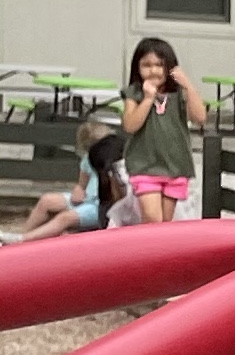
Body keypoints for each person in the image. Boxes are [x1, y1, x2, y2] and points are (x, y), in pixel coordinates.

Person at [117, 35, 208, 222]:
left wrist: (188, 86)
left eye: (159, 65)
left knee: (164, 225)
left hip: (175, 166)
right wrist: (148, 99)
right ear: (137, 67)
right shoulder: (134, 93)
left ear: (170, 67)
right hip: (144, 166)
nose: (153, 70)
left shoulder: (179, 94)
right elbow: (130, 125)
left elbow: (200, 118)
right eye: (146, 65)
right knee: (152, 217)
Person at [8, 120, 126, 243]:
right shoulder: (87, 159)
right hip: (87, 198)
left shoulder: (114, 161)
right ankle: (24, 233)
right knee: (46, 200)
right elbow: (81, 184)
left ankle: (22, 239)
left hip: (99, 205)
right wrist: (78, 190)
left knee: (64, 218)